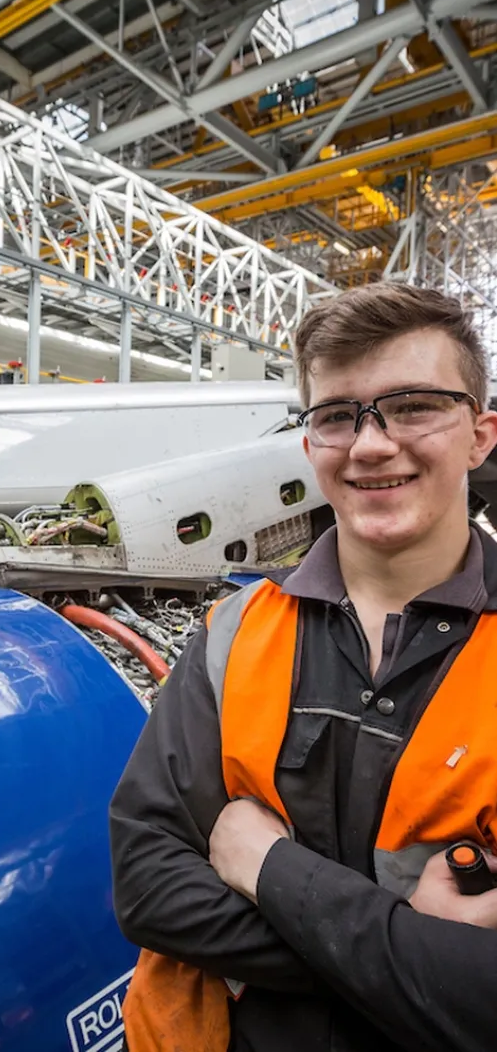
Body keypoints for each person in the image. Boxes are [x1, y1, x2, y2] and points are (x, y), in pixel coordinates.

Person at [109, 282, 497, 1052]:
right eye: (334, 416)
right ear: (309, 442)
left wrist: (269, 868)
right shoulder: (235, 632)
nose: (370, 444)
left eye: (413, 405)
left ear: (481, 435)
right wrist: (409, 950)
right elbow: (148, 887)